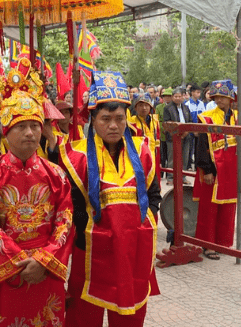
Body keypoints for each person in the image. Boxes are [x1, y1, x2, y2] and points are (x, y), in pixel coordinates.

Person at [0, 58, 73, 327]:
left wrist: (43, 260)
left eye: (35, 126)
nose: (30, 133)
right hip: (8, 274)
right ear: (5, 132)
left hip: (45, 271)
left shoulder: (56, 174)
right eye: (20, 127)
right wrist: (20, 261)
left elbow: (65, 221)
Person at [59, 71, 161, 327]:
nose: (113, 125)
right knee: (84, 316)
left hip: (134, 248)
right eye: (106, 119)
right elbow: (72, 207)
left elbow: (154, 194)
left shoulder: (143, 151)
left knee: (130, 315)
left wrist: (141, 226)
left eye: (119, 118)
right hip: (91, 250)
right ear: (93, 120)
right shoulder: (75, 156)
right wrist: (93, 234)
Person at [193, 80, 241, 259]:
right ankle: (208, 245)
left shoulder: (238, 117)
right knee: (209, 208)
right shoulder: (206, 117)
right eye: (217, 97)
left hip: (231, 168)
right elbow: (201, 145)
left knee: (228, 206)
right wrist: (206, 169)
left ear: (230, 99)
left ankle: (223, 243)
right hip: (213, 169)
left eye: (223, 97)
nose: (220, 100)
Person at [128, 93, 161, 182]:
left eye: (146, 105)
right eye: (141, 105)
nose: (144, 108)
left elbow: (158, 139)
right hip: (140, 156)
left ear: (150, 107)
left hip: (154, 155)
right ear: (135, 108)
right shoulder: (131, 123)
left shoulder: (155, 120)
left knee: (155, 179)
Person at [163, 87, 192, 184]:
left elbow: (190, 122)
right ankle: (171, 178)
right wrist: (176, 133)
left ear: (183, 97)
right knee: (172, 158)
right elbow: (166, 122)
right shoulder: (167, 108)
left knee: (185, 158)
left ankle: (183, 177)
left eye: (180, 96)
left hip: (186, 136)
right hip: (173, 136)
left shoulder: (186, 107)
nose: (178, 98)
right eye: (176, 96)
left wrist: (185, 133)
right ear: (172, 97)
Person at [185, 83, 205, 171]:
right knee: (189, 148)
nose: (198, 94)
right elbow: (187, 119)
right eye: (197, 92)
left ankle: (198, 166)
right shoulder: (187, 104)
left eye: (199, 92)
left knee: (199, 148)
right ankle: (188, 165)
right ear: (192, 92)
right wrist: (192, 130)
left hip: (199, 130)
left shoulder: (201, 103)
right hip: (190, 130)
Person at [156, 88, 172, 179]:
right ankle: (161, 173)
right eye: (165, 96)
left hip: (172, 134)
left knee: (170, 156)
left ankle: (170, 174)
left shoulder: (174, 107)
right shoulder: (159, 107)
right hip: (162, 133)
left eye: (169, 96)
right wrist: (163, 128)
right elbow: (157, 120)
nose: (167, 98)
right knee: (162, 155)